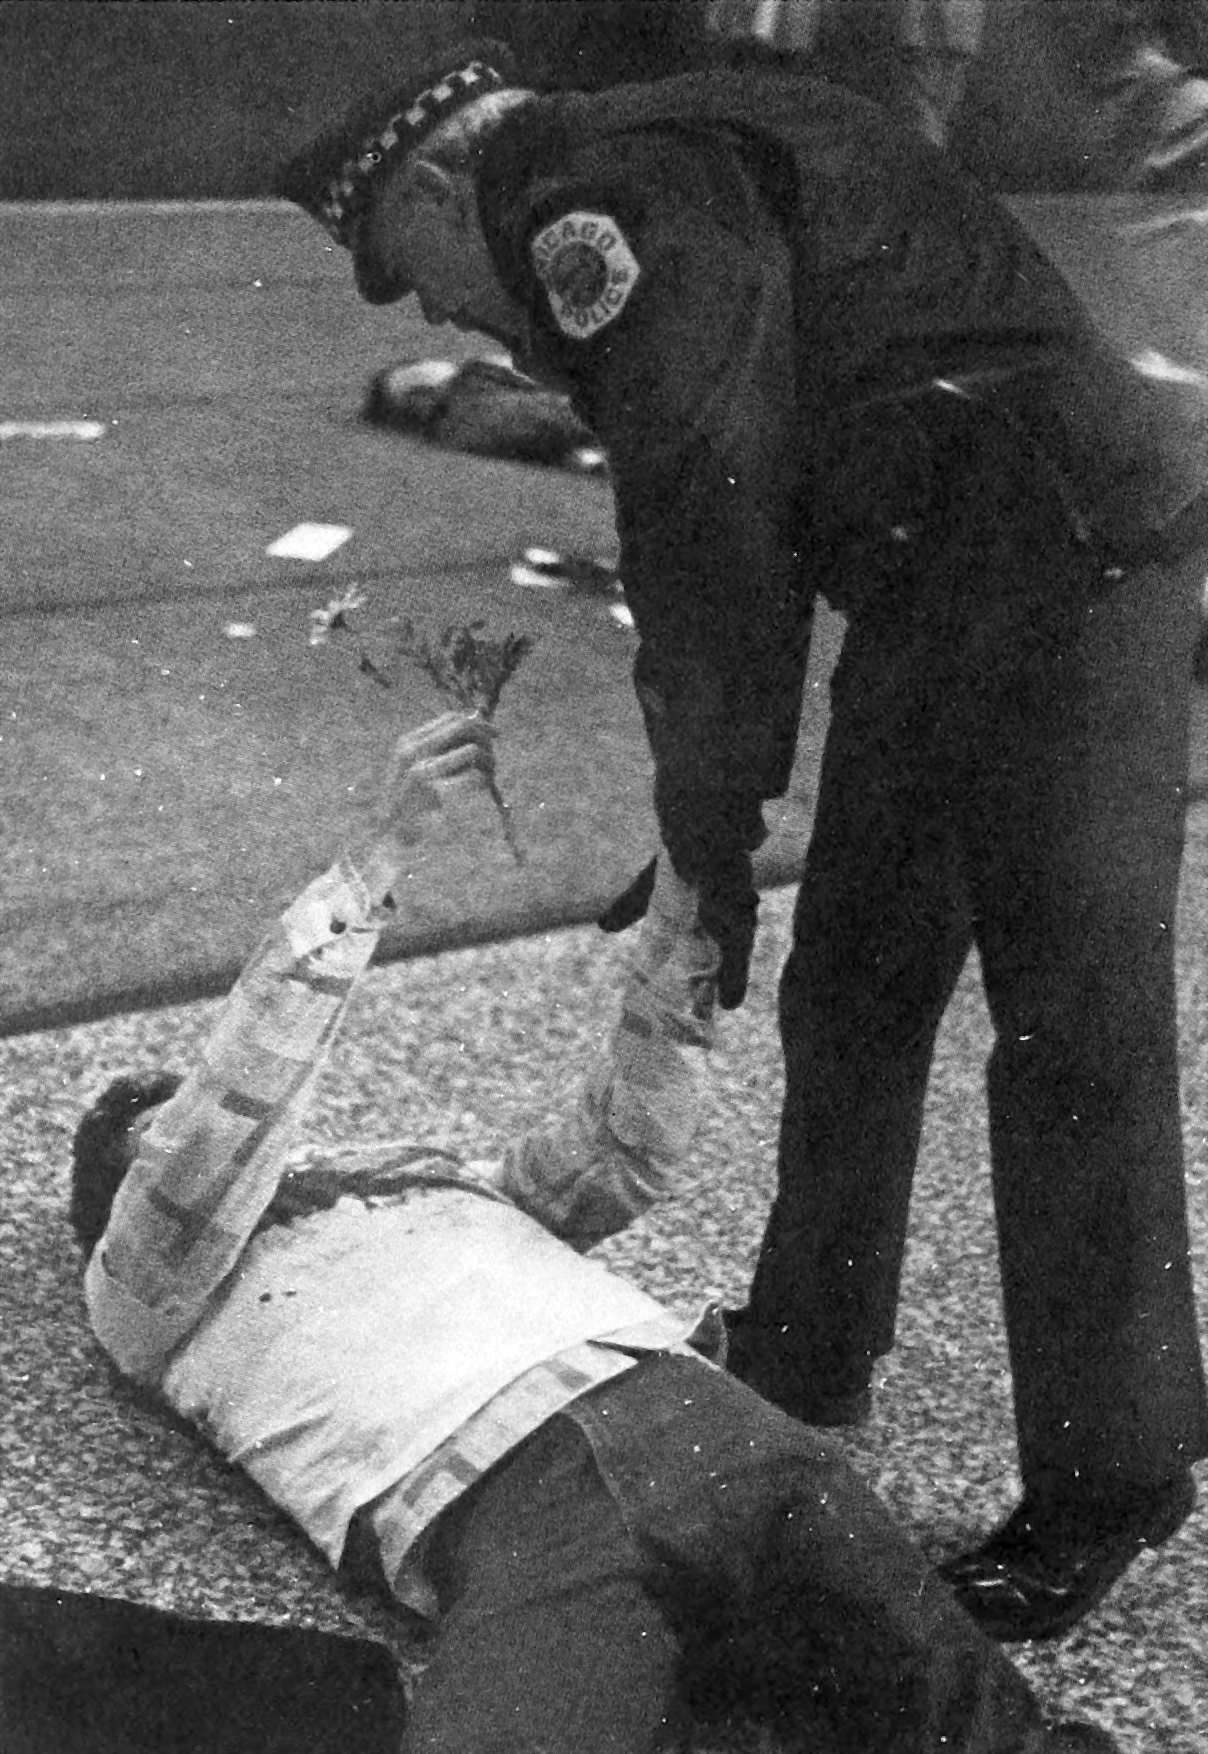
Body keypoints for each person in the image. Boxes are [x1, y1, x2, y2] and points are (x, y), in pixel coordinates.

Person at [272, 37, 1208, 1644]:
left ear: (442, 180)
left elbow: (711, 501)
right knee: (851, 978)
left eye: (404, 270)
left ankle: (1111, 1475)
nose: (432, 310)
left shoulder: (588, 204)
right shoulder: (668, 131)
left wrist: (707, 840)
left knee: (1072, 1026)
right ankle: (808, 1343)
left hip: (1077, 567)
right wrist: (712, 826)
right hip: (947, 565)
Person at [74, 710, 1115, 1754]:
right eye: (150, 1118)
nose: (187, 1105)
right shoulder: (142, 1286)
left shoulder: (430, 1183)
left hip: (717, 1421)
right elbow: (235, 1098)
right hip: (525, 1495)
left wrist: (685, 896)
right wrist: (377, 848)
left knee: (992, 1734)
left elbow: (621, 1147)